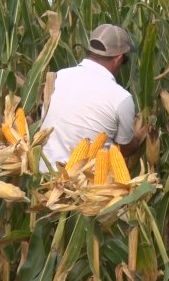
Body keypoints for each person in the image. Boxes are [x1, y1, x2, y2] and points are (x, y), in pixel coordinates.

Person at [39, 24, 144, 172]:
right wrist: (139, 137)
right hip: (86, 187)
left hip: (44, 179)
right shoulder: (121, 98)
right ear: (119, 59)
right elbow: (125, 149)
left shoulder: (57, 77)